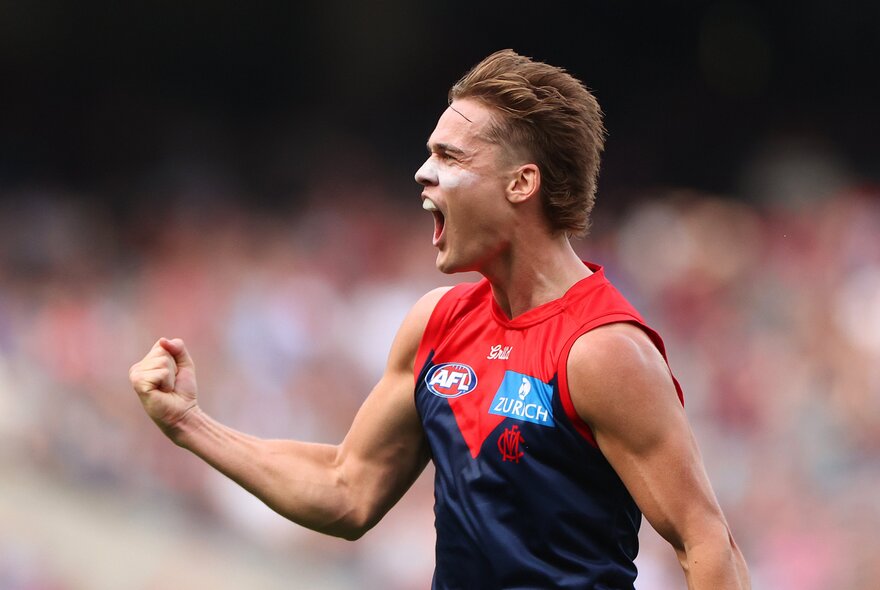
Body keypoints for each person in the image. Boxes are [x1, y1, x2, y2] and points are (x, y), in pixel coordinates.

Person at [129, 49, 750, 589]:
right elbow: (348, 489)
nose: (423, 173)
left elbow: (706, 543)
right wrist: (189, 424)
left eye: (449, 156)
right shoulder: (437, 323)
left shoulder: (602, 349)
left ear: (521, 183)